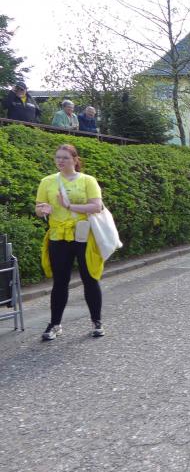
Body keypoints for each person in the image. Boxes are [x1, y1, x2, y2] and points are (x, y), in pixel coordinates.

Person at [34, 144, 106, 341]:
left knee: (90, 279)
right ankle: (55, 324)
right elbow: (38, 208)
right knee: (60, 282)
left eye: (65, 157)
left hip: (83, 235)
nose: (60, 161)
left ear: (75, 160)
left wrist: (69, 205)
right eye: (57, 157)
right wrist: (43, 210)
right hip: (58, 236)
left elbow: (96, 206)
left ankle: (97, 321)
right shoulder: (47, 182)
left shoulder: (88, 180)